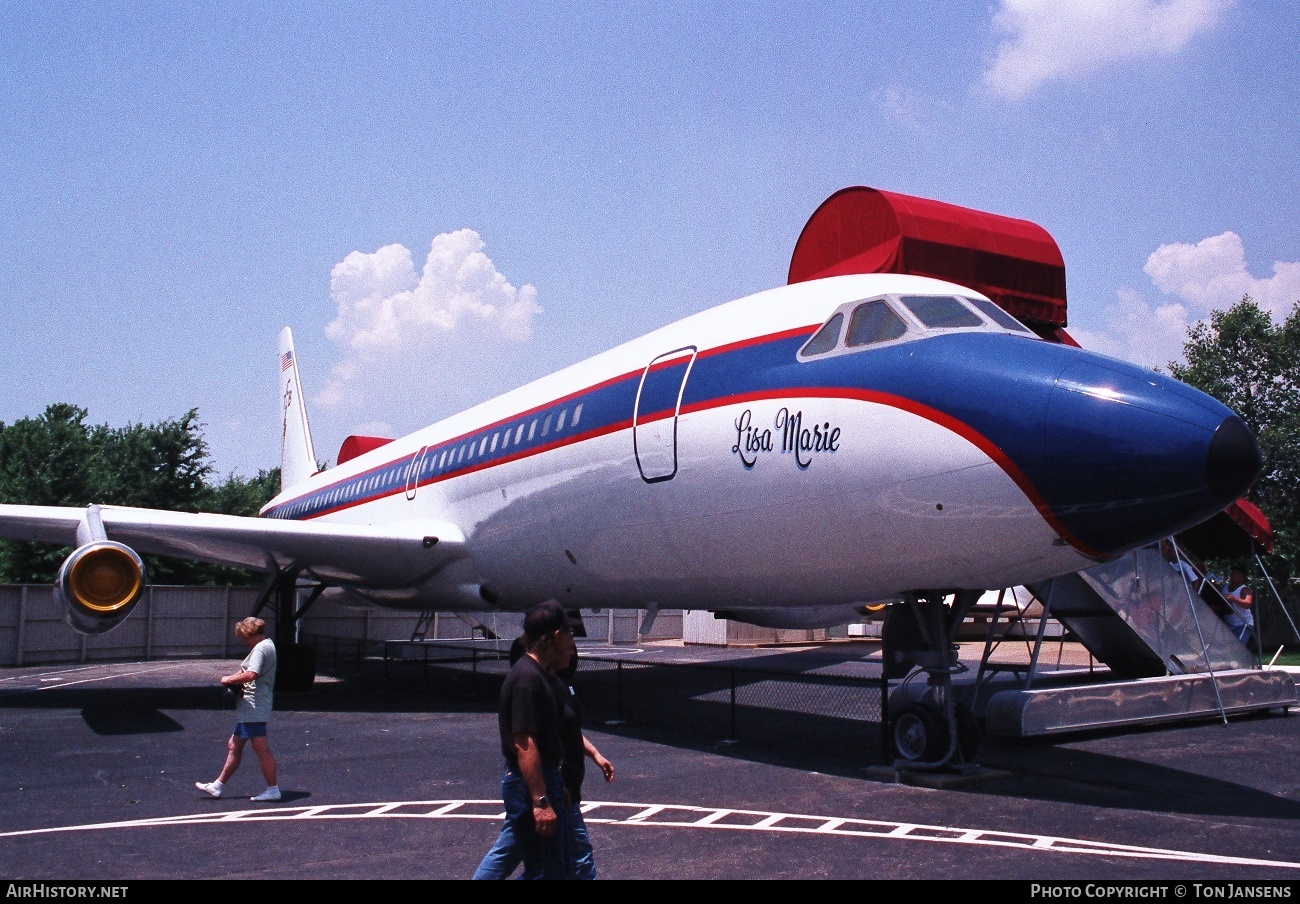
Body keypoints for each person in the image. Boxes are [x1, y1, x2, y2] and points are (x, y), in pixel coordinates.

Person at [475, 601, 573, 880]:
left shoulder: (541, 677)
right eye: (568, 634)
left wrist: (557, 782)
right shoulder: (527, 680)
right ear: (555, 636)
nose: (571, 641)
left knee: (548, 866)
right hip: (530, 784)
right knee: (546, 871)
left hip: (543, 780)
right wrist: (541, 800)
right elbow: (524, 744)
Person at [195, 616, 281, 802]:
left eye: (245, 638)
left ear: (252, 635)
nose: (244, 642)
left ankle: (273, 790)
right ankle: (217, 786)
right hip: (251, 708)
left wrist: (227, 680)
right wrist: (234, 676)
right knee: (234, 745)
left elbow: (251, 674)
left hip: (254, 707)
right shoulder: (267, 645)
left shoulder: (259, 650)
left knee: (261, 749)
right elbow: (246, 671)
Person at [1223, 565, 1256, 648]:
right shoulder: (1225, 588)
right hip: (1229, 623)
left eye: (1237, 574)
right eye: (1232, 573)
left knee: (1238, 647)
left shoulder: (1244, 590)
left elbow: (1247, 604)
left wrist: (1234, 599)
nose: (1233, 575)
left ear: (1242, 577)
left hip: (1243, 623)